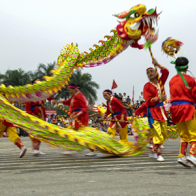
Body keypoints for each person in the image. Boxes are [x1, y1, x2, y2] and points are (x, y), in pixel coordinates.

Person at [53, 83, 96, 156]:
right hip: (75, 119)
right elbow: (68, 102)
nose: (69, 91)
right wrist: (58, 102)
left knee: (83, 135)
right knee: (69, 133)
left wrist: (77, 115)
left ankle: (93, 150)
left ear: (74, 89)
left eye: (70, 90)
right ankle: (70, 149)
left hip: (81, 119)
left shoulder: (79, 96)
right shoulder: (73, 96)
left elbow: (85, 108)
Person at [169, 57, 196, 167]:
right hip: (188, 108)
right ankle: (192, 155)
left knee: (184, 135)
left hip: (176, 110)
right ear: (187, 66)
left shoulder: (171, 81)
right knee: (194, 134)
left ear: (176, 67)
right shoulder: (190, 80)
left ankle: (181, 156)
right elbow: (194, 96)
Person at [143, 58, 169, 162]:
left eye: (151, 71)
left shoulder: (161, 82)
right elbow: (148, 101)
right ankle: (158, 154)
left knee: (164, 134)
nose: (150, 73)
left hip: (162, 111)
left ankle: (153, 151)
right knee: (157, 134)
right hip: (153, 111)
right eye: (148, 73)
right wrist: (159, 98)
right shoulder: (147, 86)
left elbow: (166, 72)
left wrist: (157, 64)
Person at [25, 79, 53, 156]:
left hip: (41, 114)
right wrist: (31, 114)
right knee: (34, 131)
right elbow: (27, 105)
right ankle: (35, 149)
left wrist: (50, 90)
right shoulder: (31, 94)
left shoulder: (42, 93)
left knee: (40, 132)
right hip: (34, 114)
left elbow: (50, 98)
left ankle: (37, 149)